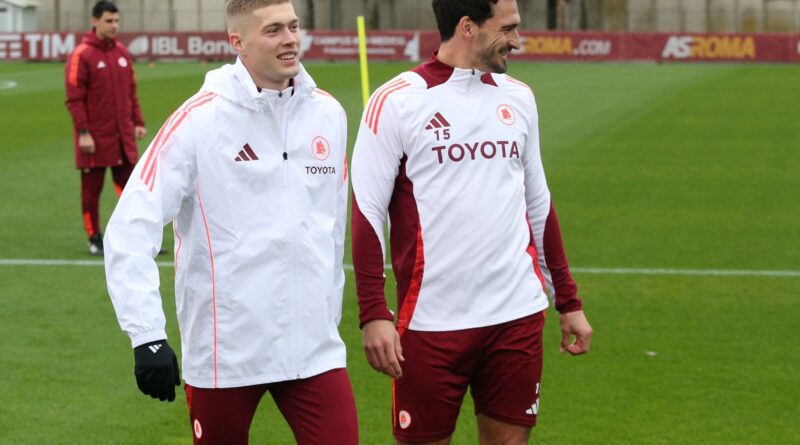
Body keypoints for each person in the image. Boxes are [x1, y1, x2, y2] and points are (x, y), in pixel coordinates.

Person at [103, 1, 357, 443]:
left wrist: (328, 313)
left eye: (294, 27)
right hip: (227, 352)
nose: (291, 39)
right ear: (237, 42)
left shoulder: (328, 114)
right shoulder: (199, 120)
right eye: (274, 30)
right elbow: (130, 226)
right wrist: (146, 334)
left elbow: (332, 230)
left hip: (315, 348)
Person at [350, 0, 593, 444]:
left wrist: (568, 302)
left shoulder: (518, 97)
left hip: (515, 315)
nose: (518, 41)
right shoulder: (397, 101)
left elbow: (537, 203)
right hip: (430, 322)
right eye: (508, 29)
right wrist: (373, 313)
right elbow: (366, 213)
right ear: (468, 27)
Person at [64, 1, 146, 256]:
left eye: (116, 21)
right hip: (95, 139)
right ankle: (94, 238)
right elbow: (74, 99)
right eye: (109, 21)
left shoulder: (122, 52)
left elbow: (131, 93)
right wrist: (83, 133)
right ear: (96, 20)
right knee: (92, 192)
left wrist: (138, 122)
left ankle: (134, 237)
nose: (114, 26)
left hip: (122, 136)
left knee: (132, 190)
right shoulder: (82, 54)